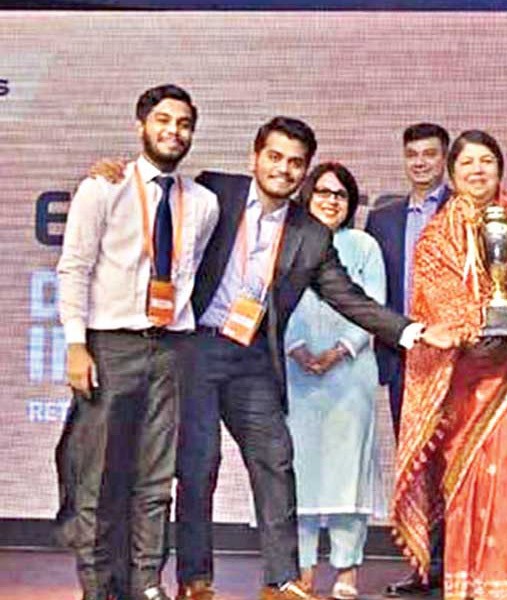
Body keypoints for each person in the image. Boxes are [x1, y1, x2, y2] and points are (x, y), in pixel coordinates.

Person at [87, 117, 456, 600]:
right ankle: (196, 580)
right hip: (197, 347)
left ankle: (282, 579)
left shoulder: (311, 234)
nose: (283, 169)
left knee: (277, 459)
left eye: (295, 163)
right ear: (254, 158)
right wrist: (112, 173)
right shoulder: (216, 191)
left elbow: (350, 298)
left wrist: (412, 331)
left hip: (253, 357)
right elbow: (158, 198)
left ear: (303, 173)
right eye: (275, 157)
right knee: (199, 466)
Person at [55, 84, 219, 600]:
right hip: (110, 347)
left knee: (156, 480)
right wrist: (76, 344)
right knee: (99, 480)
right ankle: (100, 588)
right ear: (141, 125)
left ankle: (147, 583)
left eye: (184, 124)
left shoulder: (204, 202)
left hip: (171, 350)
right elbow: (75, 268)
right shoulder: (103, 187)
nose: (174, 131)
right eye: (163, 120)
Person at [392, 130, 507, 600]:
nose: (477, 170)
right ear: (452, 173)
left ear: (500, 168)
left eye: (486, 161)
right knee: (468, 477)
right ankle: (466, 584)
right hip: (464, 373)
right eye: (467, 162)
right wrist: (482, 323)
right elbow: (437, 300)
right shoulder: (436, 235)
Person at [283, 163, 385, 600]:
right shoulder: (287, 241)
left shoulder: (363, 245)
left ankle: (346, 571)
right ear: (306, 196)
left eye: (340, 195)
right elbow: (269, 301)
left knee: (349, 477)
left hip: (350, 373)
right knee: (299, 475)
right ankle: (301, 571)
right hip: (293, 372)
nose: (330, 200)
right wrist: (297, 349)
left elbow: (374, 305)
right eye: (322, 192)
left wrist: (340, 349)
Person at [366, 123, 453, 597]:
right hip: (405, 358)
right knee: (416, 466)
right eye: (413, 155)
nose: (420, 162)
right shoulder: (384, 218)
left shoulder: (465, 210)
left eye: (430, 154)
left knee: (457, 463)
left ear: (444, 159)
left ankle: (461, 562)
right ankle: (425, 565)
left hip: (457, 360)